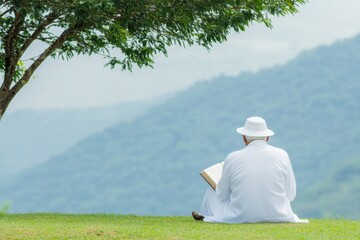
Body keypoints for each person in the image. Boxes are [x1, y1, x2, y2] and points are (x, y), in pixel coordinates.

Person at [192, 116, 308, 223]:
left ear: (244, 138)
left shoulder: (233, 157)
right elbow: (291, 195)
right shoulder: (282, 154)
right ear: (267, 138)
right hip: (280, 215)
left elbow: (222, 196)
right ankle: (206, 217)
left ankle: (205, 216)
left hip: (240, 216)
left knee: (211, 191)